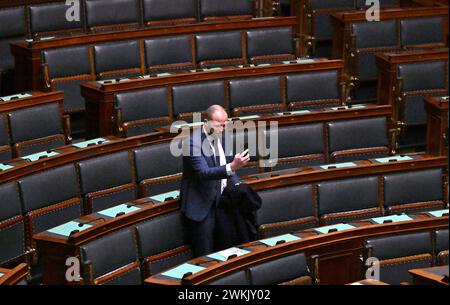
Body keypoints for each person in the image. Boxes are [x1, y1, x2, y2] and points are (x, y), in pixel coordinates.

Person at [180, 105, 250, 257]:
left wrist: (237, 184)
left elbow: (230, 167)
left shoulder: (224, 138)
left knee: (226, 252)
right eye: (219, 125)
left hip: (223, 203)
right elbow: (203, 172)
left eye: (225, 124)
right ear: (206, 122)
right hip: (203, 207)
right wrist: (232, 166)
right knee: (206, 256)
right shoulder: (192, 143)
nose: (223, 129)